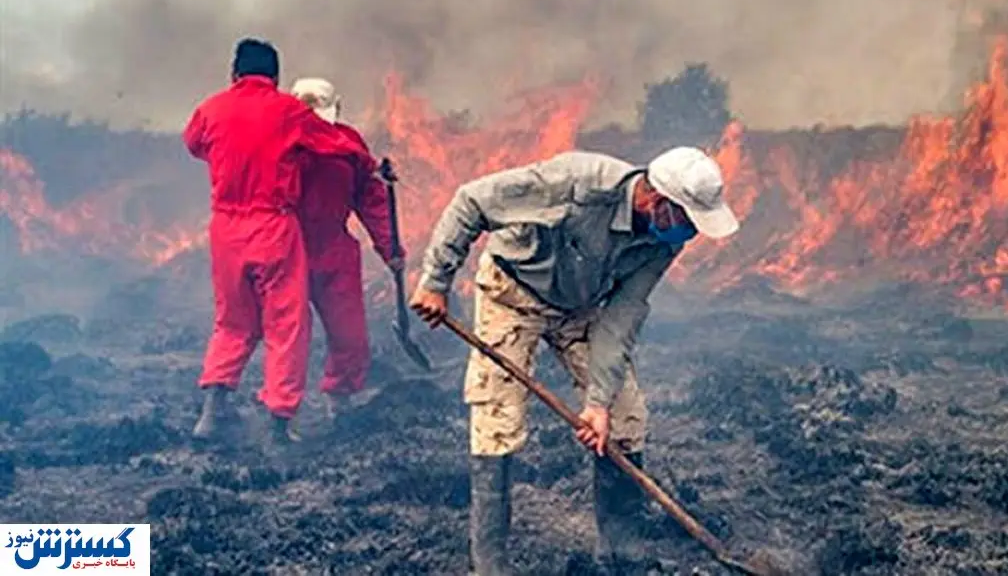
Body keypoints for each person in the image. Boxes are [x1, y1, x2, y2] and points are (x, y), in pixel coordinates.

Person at [409, 147, 739, 574]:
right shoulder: (578, 184)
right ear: (657, 201)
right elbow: (472, 200)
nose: (691, 234)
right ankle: (490, 566)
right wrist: (436, 281)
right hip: (513, 294)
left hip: (582, 308)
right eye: (689, 221)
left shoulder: (662, 240)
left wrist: (598, 404)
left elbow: (620, 317)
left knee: (625, 417)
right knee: (496, 422)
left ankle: (620, 555)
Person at [184, 39, 374, 445]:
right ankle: (278, 424)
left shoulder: (210, 108)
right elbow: (332, 142)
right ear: (275, 77)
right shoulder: (288, 112)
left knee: (232, 321)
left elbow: (194, 143)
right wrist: (367, 160)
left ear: (234, 73)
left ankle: (211, 413)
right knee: (286, 325)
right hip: (272, 225)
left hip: (225, 228)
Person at [289, 77, 404, 419]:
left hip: (333, 249)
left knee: (349, 333)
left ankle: (339, 399)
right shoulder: (279, 144)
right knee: (290, 337)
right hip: (287, 248)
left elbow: (370, 199)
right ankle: (282, 411)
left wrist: (391, 248)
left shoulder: (349, 143)